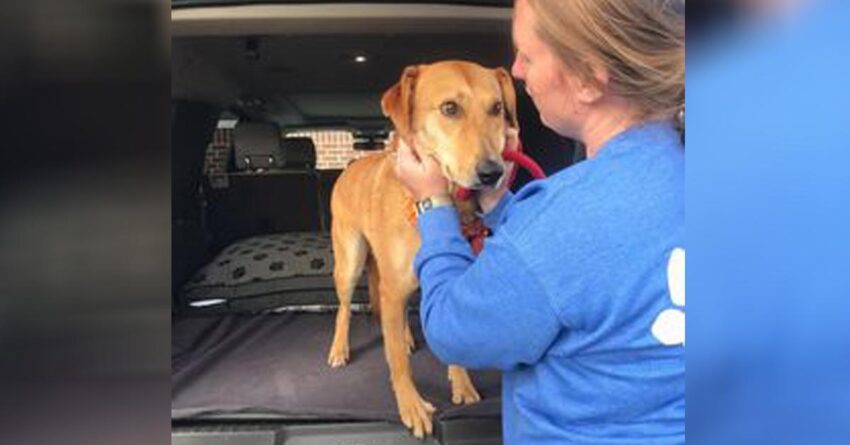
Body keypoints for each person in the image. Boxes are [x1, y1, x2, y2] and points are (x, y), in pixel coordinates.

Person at [394, 0, 685, 444]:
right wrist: (500, 203)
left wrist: (433, 205)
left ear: (588, 77)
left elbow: (453, 331)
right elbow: (587, 267)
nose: (517, 72)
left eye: (527, 56)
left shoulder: (562, 224)